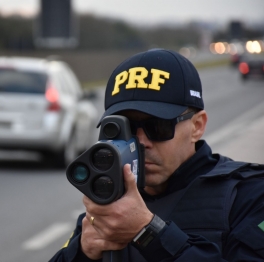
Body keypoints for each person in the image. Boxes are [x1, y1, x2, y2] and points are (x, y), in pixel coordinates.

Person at [49, 49, 264, 261]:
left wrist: (147, 232)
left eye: (158, 126)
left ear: (197, 126)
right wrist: (81, 252)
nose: (141, 142)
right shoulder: (109, 199)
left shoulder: (250, 195)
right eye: (128, 128)